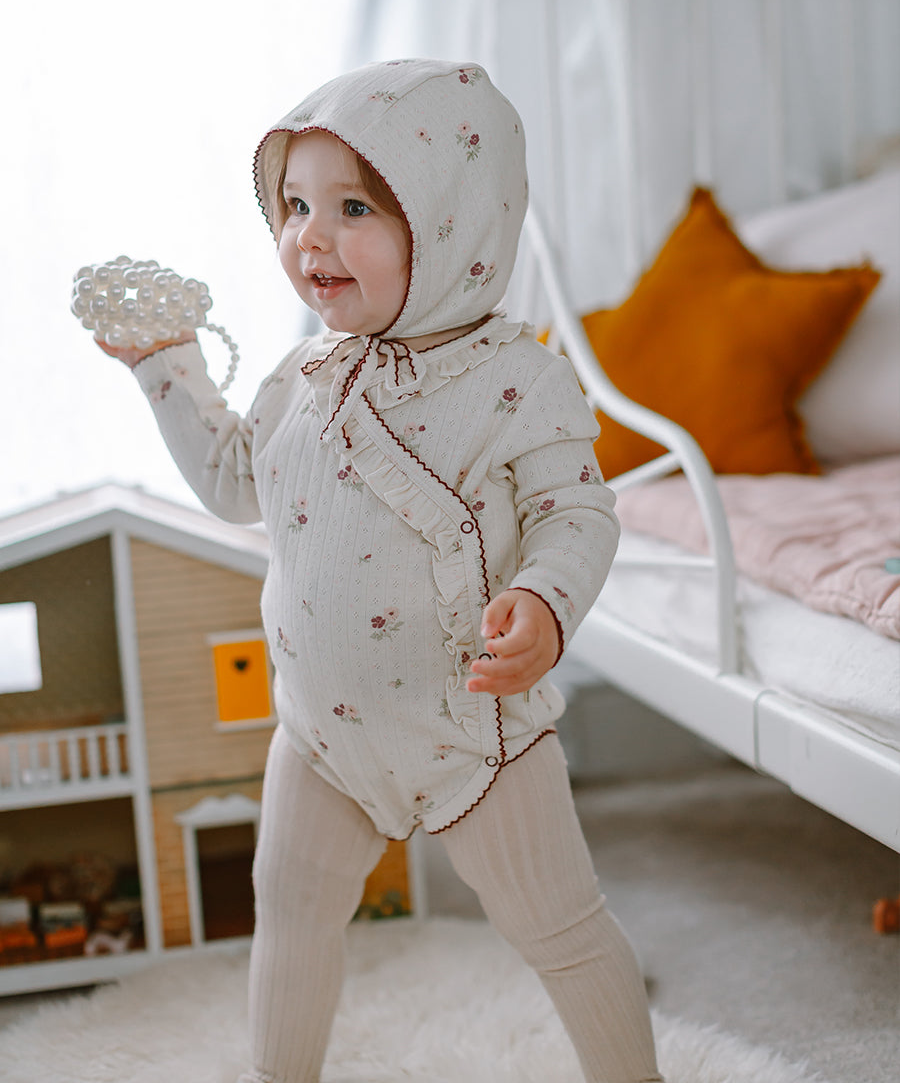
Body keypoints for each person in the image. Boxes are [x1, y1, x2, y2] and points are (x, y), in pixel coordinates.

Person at [99, 59, 663, 1083]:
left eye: (353, 207)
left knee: (561, 929)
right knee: (292, 911)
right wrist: (165, 367)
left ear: (452, 225)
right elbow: (233, 481)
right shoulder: (301, 377)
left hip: (473, 736)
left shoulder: (517, 378)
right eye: (295, 205)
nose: (310, 236)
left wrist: (544, 602)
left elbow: (574, 510)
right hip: (320, 735)